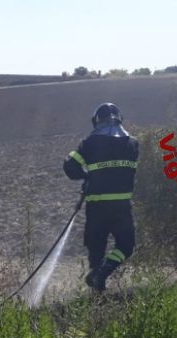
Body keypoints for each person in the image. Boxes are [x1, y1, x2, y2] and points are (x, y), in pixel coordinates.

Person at [62, 102, 138, 292]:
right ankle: (102, 275)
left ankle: (97, 289)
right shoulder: (133, 144)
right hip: (121, 207)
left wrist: (87, 176)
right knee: (126, 246)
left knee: (96, 251)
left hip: (96, 208)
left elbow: (70, 167)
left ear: (96, 121)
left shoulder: (89, 143)